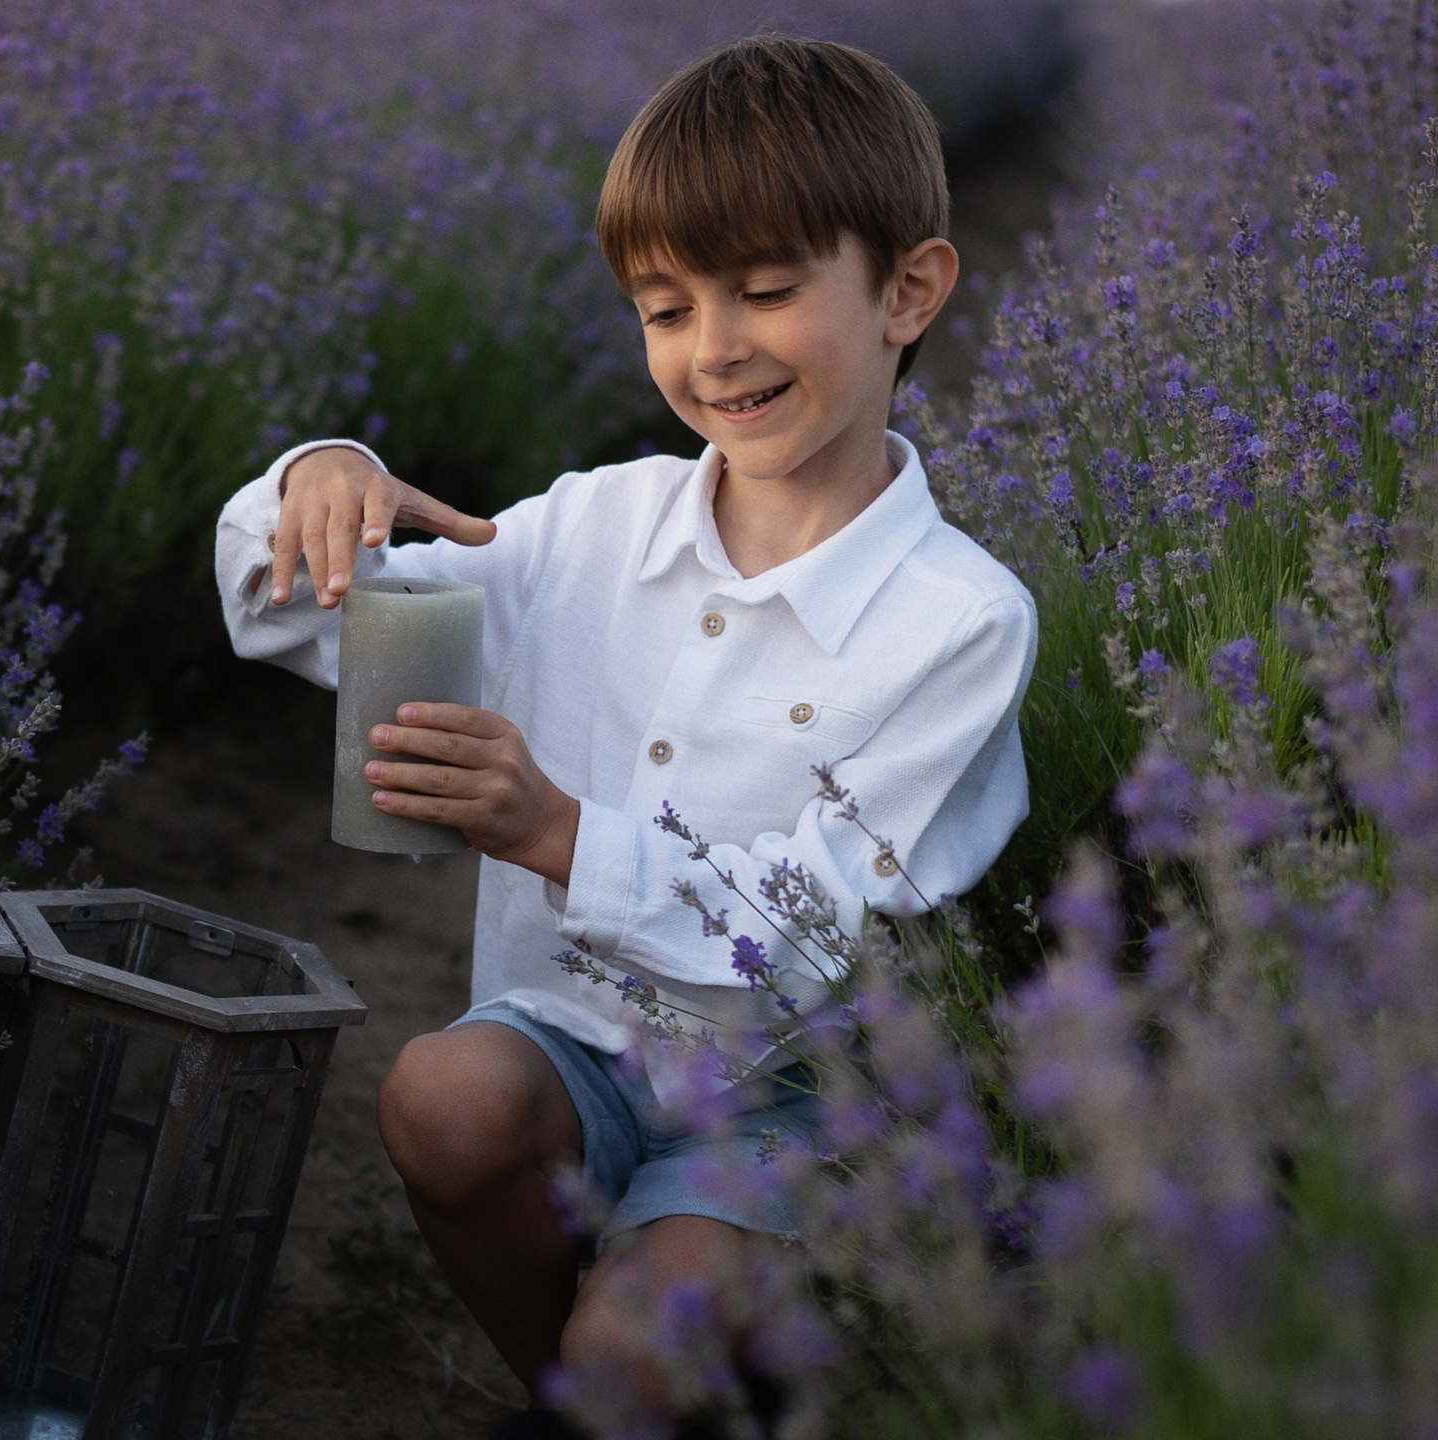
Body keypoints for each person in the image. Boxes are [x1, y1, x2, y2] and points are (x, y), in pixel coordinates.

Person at [213, 34, 1036, 1438]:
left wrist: (551, 831)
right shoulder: (593, 526)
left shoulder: (957, 622)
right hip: (582, 1038)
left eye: (767, 291)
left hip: (796, 1095)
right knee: (442, 1097)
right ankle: (574, 1396)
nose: (713, 348)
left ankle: (666, 1372)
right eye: (664, 309)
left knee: (644, 1361)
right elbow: (305, 620)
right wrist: (314, 483)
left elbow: (809, 941)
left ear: (910, 290)